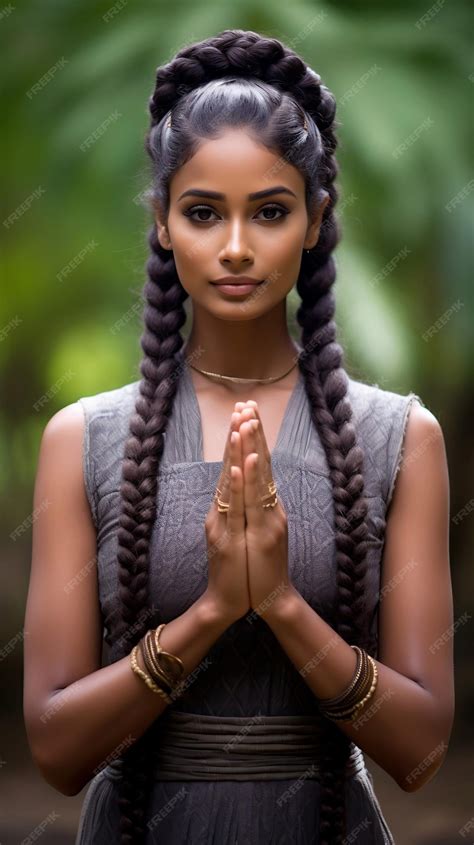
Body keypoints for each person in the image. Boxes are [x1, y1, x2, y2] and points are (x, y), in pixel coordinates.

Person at [23, 28, 454, 845]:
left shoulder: (402, 438)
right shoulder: (81, 439)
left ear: (316, 220)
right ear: (161, 222)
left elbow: (423, 747)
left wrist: (285, 606)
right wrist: (214, 612)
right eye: (201, 212)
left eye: (269, 212)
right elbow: (55, 747)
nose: (233, 248)